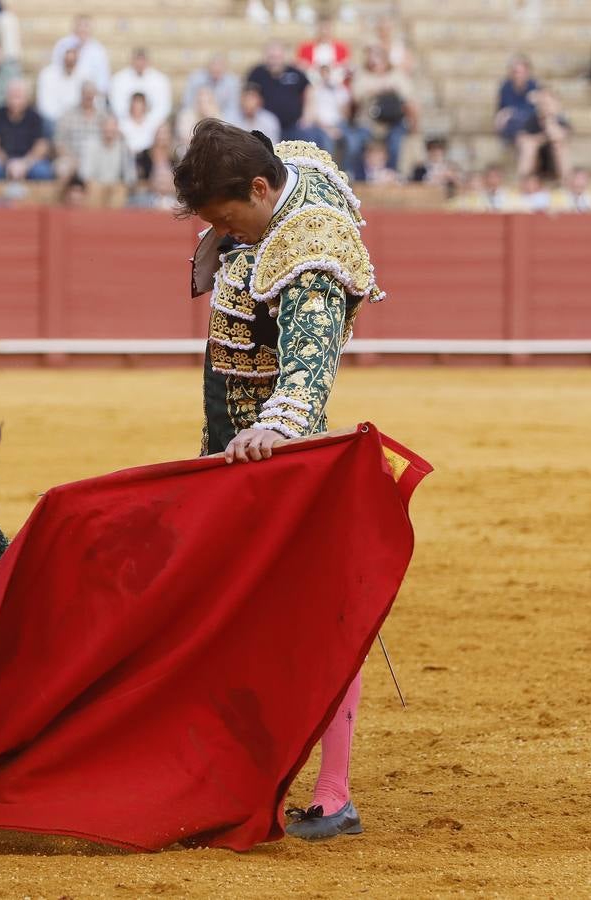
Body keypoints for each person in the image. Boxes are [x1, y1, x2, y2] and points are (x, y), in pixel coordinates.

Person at [175, 122, 384, 840]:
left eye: (228, 217)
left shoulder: (313, 251)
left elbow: (308, 369)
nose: (223, 230)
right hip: (231, 441)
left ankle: (332, 791)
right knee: (237, 606)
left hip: (277, 455)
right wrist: (229, 231)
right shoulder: (283, 170)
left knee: (313, 614)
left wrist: (278, 427)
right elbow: (276, 157)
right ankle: (236, 770)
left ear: (261, 190)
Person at [246, 42, 329, 150]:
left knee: (314, 139)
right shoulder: (257, 73)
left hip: (293, 126)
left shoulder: (295, 73)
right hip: (265, 127)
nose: (275, 61)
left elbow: (309, 91)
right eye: (271, 57)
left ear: (283, 57)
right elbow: (249, 95)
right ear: (265, 57)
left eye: (278, 57)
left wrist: (307, 116)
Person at [351, 44, 417, 173]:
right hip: (368, 122)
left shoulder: (397, 75)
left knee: (395, 142)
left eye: (377, 56)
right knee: (358, 142)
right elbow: (356, 96)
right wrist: (376, 90)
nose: (374, 60)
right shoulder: (362, 75)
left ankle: (391, 174)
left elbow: (408, 99)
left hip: (392, 121)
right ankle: (360, 175)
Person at [0, 78, 53, 181]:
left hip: (29, 162)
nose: (15, 101)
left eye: (19, 96)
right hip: (1, 161)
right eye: (12, 96)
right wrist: (7, 163)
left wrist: (24, 164)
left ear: (27, 98)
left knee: (42, 171)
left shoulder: (35, 117)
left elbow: (41, 146)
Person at [308, 63, 368, 180]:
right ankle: (327, 175)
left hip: (340, 125)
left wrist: (339, 95)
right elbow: (312, 114)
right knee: (327, 144)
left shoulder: (340, 90)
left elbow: (346, 115)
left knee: (353, 142)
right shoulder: (313, 90)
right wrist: (328, 129)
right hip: (320, 126)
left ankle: (346, 172)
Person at [110, 48, 173, 132]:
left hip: (153, 125)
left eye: (142, 60)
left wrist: (147, 122)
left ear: (148, 61)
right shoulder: (118, 79)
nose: (139, 63)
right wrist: (132, 121)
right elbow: (117, 106)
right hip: (125, 124)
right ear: (132, 60)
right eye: (137, 59)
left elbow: (163, 107)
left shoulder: (161, 80)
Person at [516, 88, 571, 181]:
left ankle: (565, 182)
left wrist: (550, 119)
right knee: (528, 146)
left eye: (548, 103)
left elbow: (558, 136)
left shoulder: (561, 121)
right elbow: (521, 138)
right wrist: (539, 140)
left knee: (559, 146)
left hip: (554, 161)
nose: (545, 107)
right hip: (536, 159)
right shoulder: (531, 120)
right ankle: (523, 181)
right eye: (543, 103)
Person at [54, 81, 106, 179]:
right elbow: (59, 143)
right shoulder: (68, 115)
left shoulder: (103, 116)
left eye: (91, 94)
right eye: (86, 94)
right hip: (71, 158)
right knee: (62, 168)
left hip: (96, 159)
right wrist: (73, 159)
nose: (88, 97)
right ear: (81, 94)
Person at [50, 15, 110, 94]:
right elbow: (55, 70)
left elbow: (103, 81)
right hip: (63, 91)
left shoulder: (98, 51)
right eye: (79, 25)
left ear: (92, 29)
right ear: (73, 27)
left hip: (88, 94)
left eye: (86, 25)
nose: (82, 29)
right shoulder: (62, 45)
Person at [78, 114, 135, 186]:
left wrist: (126, 182)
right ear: (101, 127)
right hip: (96, 184)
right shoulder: (91, 145)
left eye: (112, 126)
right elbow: (85, 172)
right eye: (107, 126)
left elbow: (130, 173)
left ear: (117, 128)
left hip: (116, 185)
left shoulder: (123, 146)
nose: (109, 129)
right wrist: (91, 181)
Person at [495, 55, 539, 145]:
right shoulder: (506, 87)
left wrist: (511, 111)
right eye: (515, 72)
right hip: (512, 125)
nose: (518, 75)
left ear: (527, 72)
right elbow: (502, 109)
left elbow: (532, 111)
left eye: (520, 72)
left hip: (528, 123)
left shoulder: (533, 86)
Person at [183, 54, 242, 121]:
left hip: (221, 116)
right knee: (186, 115)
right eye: (214, 65)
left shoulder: (232, 82)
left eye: (220, 66)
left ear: (225, 68)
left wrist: (218, 116)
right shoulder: (196, 78)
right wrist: (201, 111)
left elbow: (232, 107)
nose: (216, 69)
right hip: (197, 113)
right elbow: (187, 102)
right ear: (208, 66)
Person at [37, 44, 84, 125]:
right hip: (53, 120)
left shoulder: (84, 76)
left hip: (77, 121)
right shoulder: (47, 74)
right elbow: (45, 106)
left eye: (73, 61)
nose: (70, 64)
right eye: (67, 61)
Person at [296, 13, 351, 83]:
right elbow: (300, 66)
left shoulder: (342, 48)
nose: (324, 31)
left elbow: (345, 67)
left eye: (327, 28)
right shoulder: (305, 48)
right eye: (321, 28)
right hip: (312, 83)